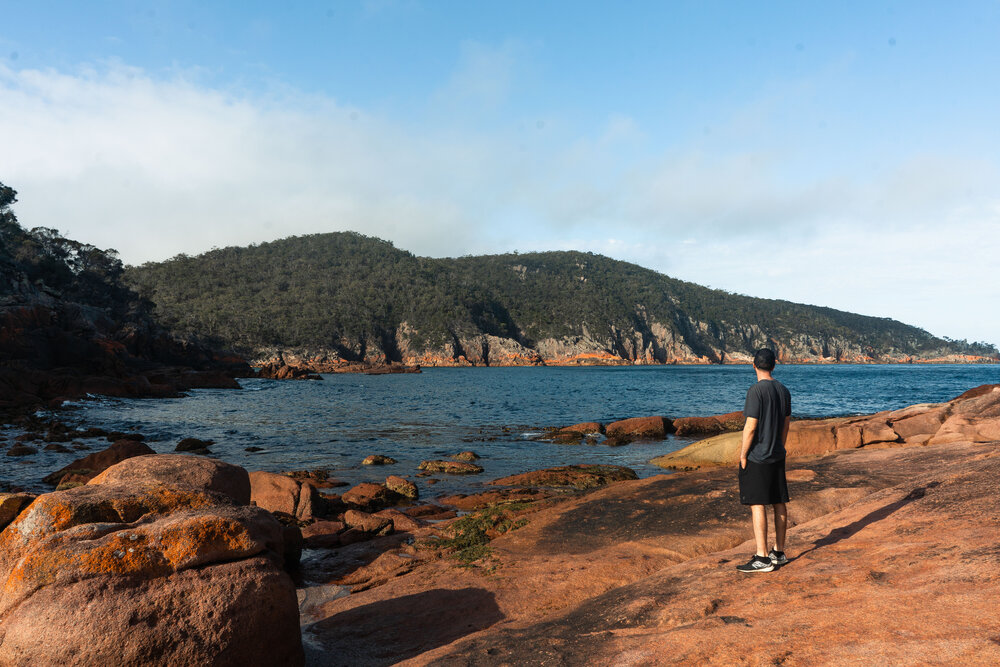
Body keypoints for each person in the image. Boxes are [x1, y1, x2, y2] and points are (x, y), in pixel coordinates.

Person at [735, 348, 792, 574]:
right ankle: (778, 552)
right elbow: (787, 423)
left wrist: (742, 454)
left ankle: (762, 557)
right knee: (779, 501)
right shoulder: (783, 390)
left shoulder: (756, 391)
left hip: (758, 456)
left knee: (757, 503)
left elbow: (750, 427)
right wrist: (780, 445)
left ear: (753, 366)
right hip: (777, 454)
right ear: (774, 366)